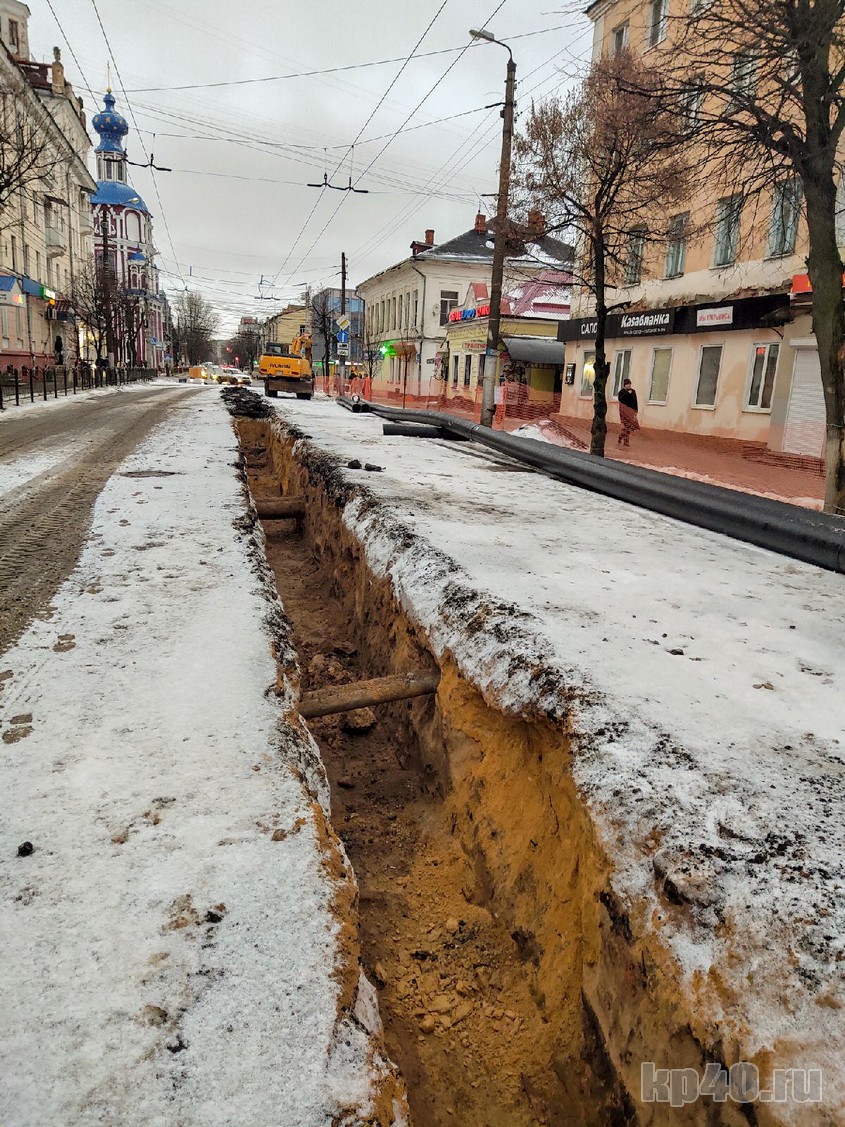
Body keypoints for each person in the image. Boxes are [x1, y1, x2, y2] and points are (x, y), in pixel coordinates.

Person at [617, 378, 639, 446]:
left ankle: (623, 439)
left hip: (631, 411)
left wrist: (636, 410)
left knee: (629, 427)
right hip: (623, 411)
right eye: (627, 384)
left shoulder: (633, 391)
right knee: (626, 426)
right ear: (624, 385)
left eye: (629, 384)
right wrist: (627, 393)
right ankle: (624, 440)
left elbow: (635, 401)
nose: (629, 385)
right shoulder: (622, 392)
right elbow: (620, 399)